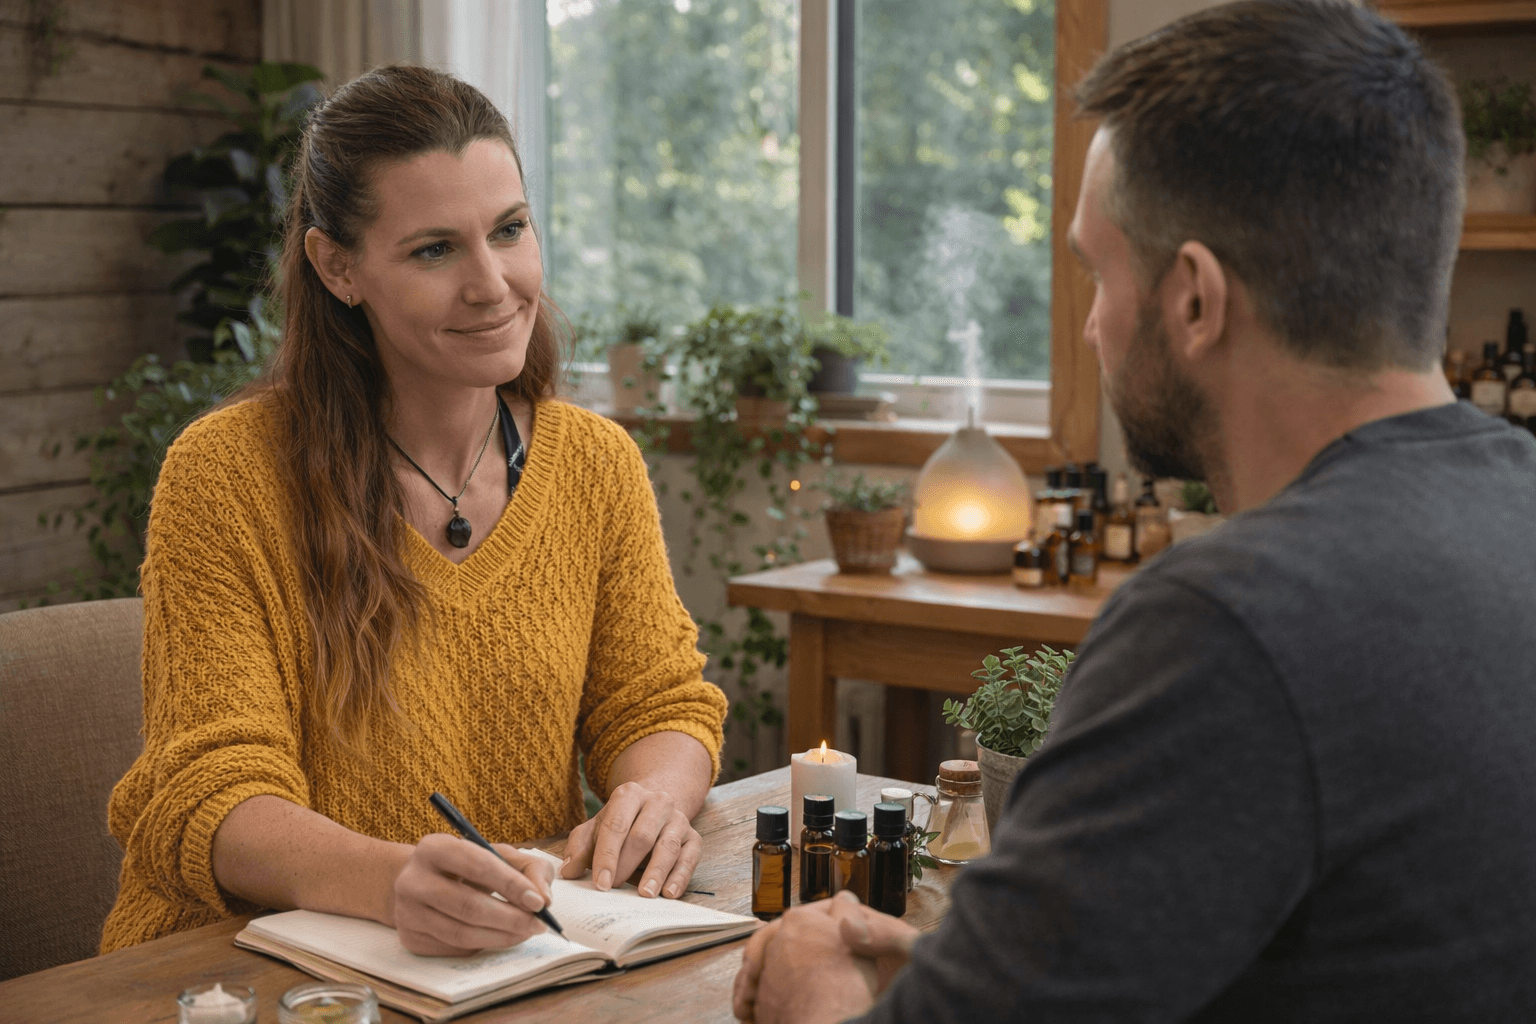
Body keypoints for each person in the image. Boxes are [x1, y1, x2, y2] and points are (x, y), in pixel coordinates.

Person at [734, 1, 1536, 1020]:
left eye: (1096, 273)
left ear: (1195, 299)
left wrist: (811, 984)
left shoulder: (1228, 622)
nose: (1092, 325)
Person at [101, 65, 728, 957]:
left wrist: (652, 800)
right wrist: (394, 882)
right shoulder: (224, 476)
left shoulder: (596, 464)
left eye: (509, 230)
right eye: (434, 250)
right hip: (235, 970)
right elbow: (212, 789)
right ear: (337, 267)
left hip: (507, 963)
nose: (494, 283)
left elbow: (658, 702)